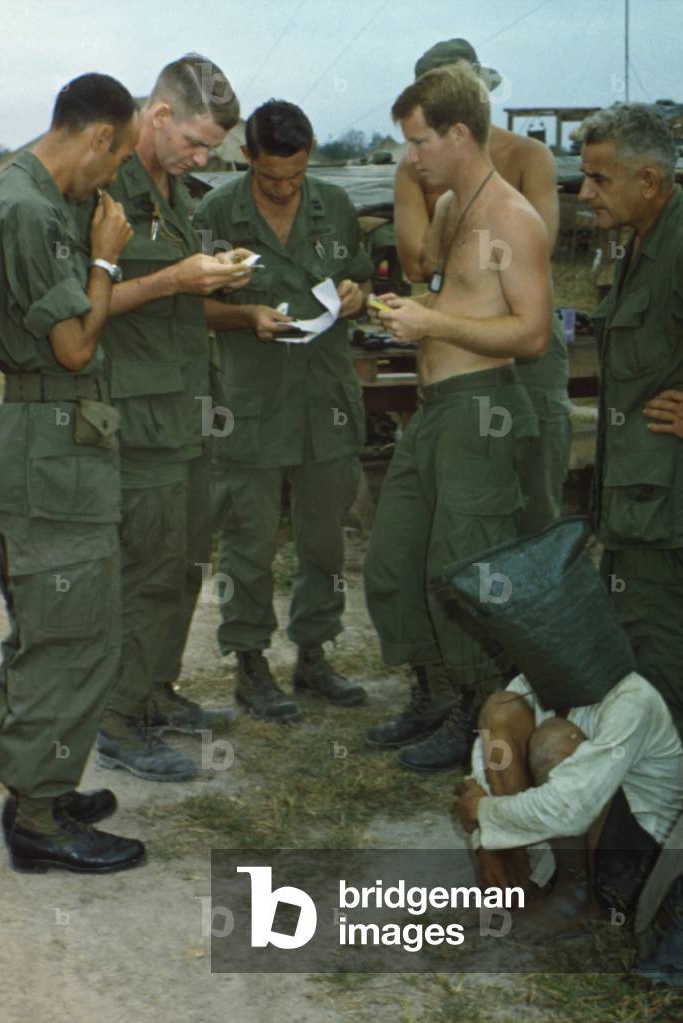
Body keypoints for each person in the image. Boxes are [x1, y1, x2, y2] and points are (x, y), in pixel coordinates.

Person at [0, 74, 145, 872]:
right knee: (68, 639)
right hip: (52, 455)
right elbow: (76, 346)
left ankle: (38, 784)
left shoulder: (4, 193)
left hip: (45, 443)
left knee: (51, 629)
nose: (109, 184)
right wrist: (106, 262)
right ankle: (40, 819)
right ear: (99, 136)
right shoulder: (29, 212)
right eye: (113, 164)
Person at [371, 39, 571, 772]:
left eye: (419, 140)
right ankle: (431, 688)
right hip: (434, 412)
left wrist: (434, 324)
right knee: (395, 557)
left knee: (465, 570)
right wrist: (413, 309)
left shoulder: (513, 216)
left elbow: (532, 331)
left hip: (481, 410)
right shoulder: (454, 203)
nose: (411, 156)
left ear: (458, 134)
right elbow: (450, 294)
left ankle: (480, 709)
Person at [92, 55, 253, 782]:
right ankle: (117, 719)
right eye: (193, 143)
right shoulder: (103, 187)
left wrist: (215, 280)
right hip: (138, 416)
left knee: (184, 559)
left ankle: (156, 689)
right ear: (157, 116)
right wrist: (175, 279)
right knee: (143, 566)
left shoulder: (177, 190)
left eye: (209, 151)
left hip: (190, 408)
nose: (200, 159)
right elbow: (79, 306)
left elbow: (175, 293)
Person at [193, 99, 374, 722]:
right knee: (248, 540)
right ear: (246, 157)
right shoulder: (217, 213)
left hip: (326, 401)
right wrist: (244, 315)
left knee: (325, 539)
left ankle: (314, 655)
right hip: (252, 403)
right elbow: (188, 305)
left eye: (295, 175)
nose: (284, 188)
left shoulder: (336, 207)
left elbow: (359, 281)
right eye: (271, 177)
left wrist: (356, 297)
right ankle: (249, 663)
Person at [579, 103, 683, 756]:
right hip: (635, 493)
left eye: (599, 179)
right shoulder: (646, 237)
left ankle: (669, 807)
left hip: (667, 499)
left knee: (662, 644)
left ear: (647, 180)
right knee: (630, 643)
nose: (584, 192)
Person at [455, 670, 683, 942]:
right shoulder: (533, 678)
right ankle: (520, 883)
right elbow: (483, 772)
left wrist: (483, 812)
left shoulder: (632, 698)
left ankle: (576, 896)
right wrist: (487, 844)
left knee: (554, 740)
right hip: (567, 831)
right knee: (499, 709)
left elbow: (570, 810)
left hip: (632, 854)